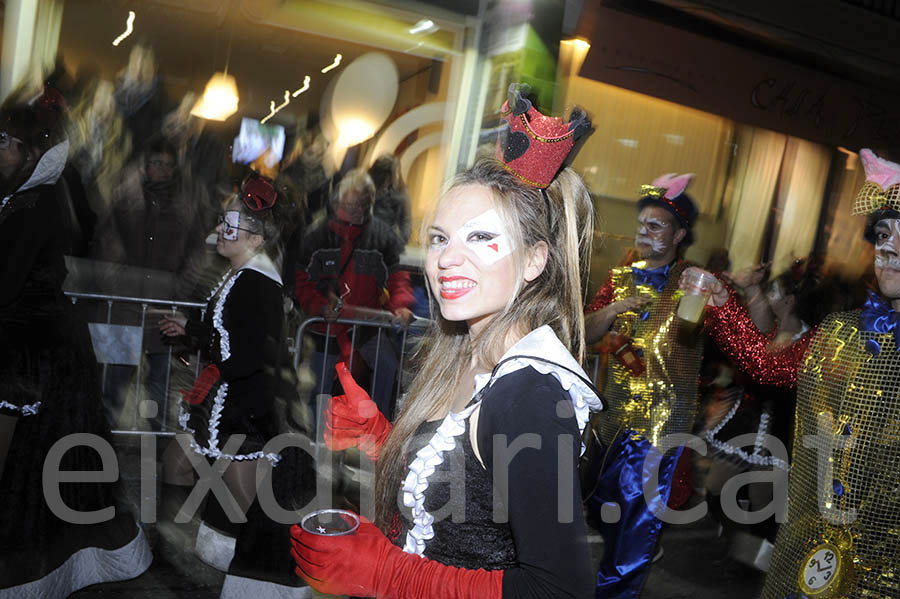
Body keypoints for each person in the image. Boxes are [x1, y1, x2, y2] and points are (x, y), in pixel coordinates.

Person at [289, 83, 602, 598]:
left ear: (534, 260)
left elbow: (560, 590)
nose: (446, 259)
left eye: (482, 237)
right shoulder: (462, 352)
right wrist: (383, 440)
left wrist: (387, 573)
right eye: (439, 238)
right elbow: (470, 494)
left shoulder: (532, 397)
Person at [689, 147, 900, 599]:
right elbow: (768, 366)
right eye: (882, 233)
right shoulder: (843, 332)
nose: (889, 248)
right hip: (826, 542)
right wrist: (725, 305)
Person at [0, 87, 151, 596]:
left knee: (40, 476)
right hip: (44, 354)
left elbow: (6, 284)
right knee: (56, 471)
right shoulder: (34, 195)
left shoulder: (35, 202)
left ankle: (41, 569)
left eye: (5, 142)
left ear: (29, 149)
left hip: (38, 362)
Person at [159, 174, 313, 596]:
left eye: (231, 225)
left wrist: (206, 354)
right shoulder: (238, 277)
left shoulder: (257, 283)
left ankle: (266, 579)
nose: (219, 233)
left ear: (257, 239)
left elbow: (250, 353)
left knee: (246, 506)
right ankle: (175, 552)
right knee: (176, 463)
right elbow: (229, 332)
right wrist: (192, 330)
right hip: (224, 399)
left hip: (247, 408)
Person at [581, 171, 703, 597]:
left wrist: (744, 297)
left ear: (679, 234)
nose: (645, 231)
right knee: (601, 508)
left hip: (659, 430)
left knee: (634, 526)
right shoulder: (620, 278)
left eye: (656, 225)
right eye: (642, 224)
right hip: (612, 425)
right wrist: (614, 307)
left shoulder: (693, 284)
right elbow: (587, 332)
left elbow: (747, 347)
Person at [294, 168, 415, 419]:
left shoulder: (383, 237)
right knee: (321, 389)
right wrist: (318, 306)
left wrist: (401, 305)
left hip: (366, 327)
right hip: (325, 328)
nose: (357, 210)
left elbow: (398, 277)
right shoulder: (316, 237)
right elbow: (301, 282)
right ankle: (317, 445)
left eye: (363, 203)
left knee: (387, 367)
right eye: (351, 204)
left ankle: (378, 436)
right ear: (337, 202)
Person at [369, 153, 412, 244]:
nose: (385, 181)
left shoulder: (400, 192)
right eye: (383, 177)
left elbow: (406, 221)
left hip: (385, 241)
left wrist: (400, 242)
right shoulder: (366, 187)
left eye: (388, 177)